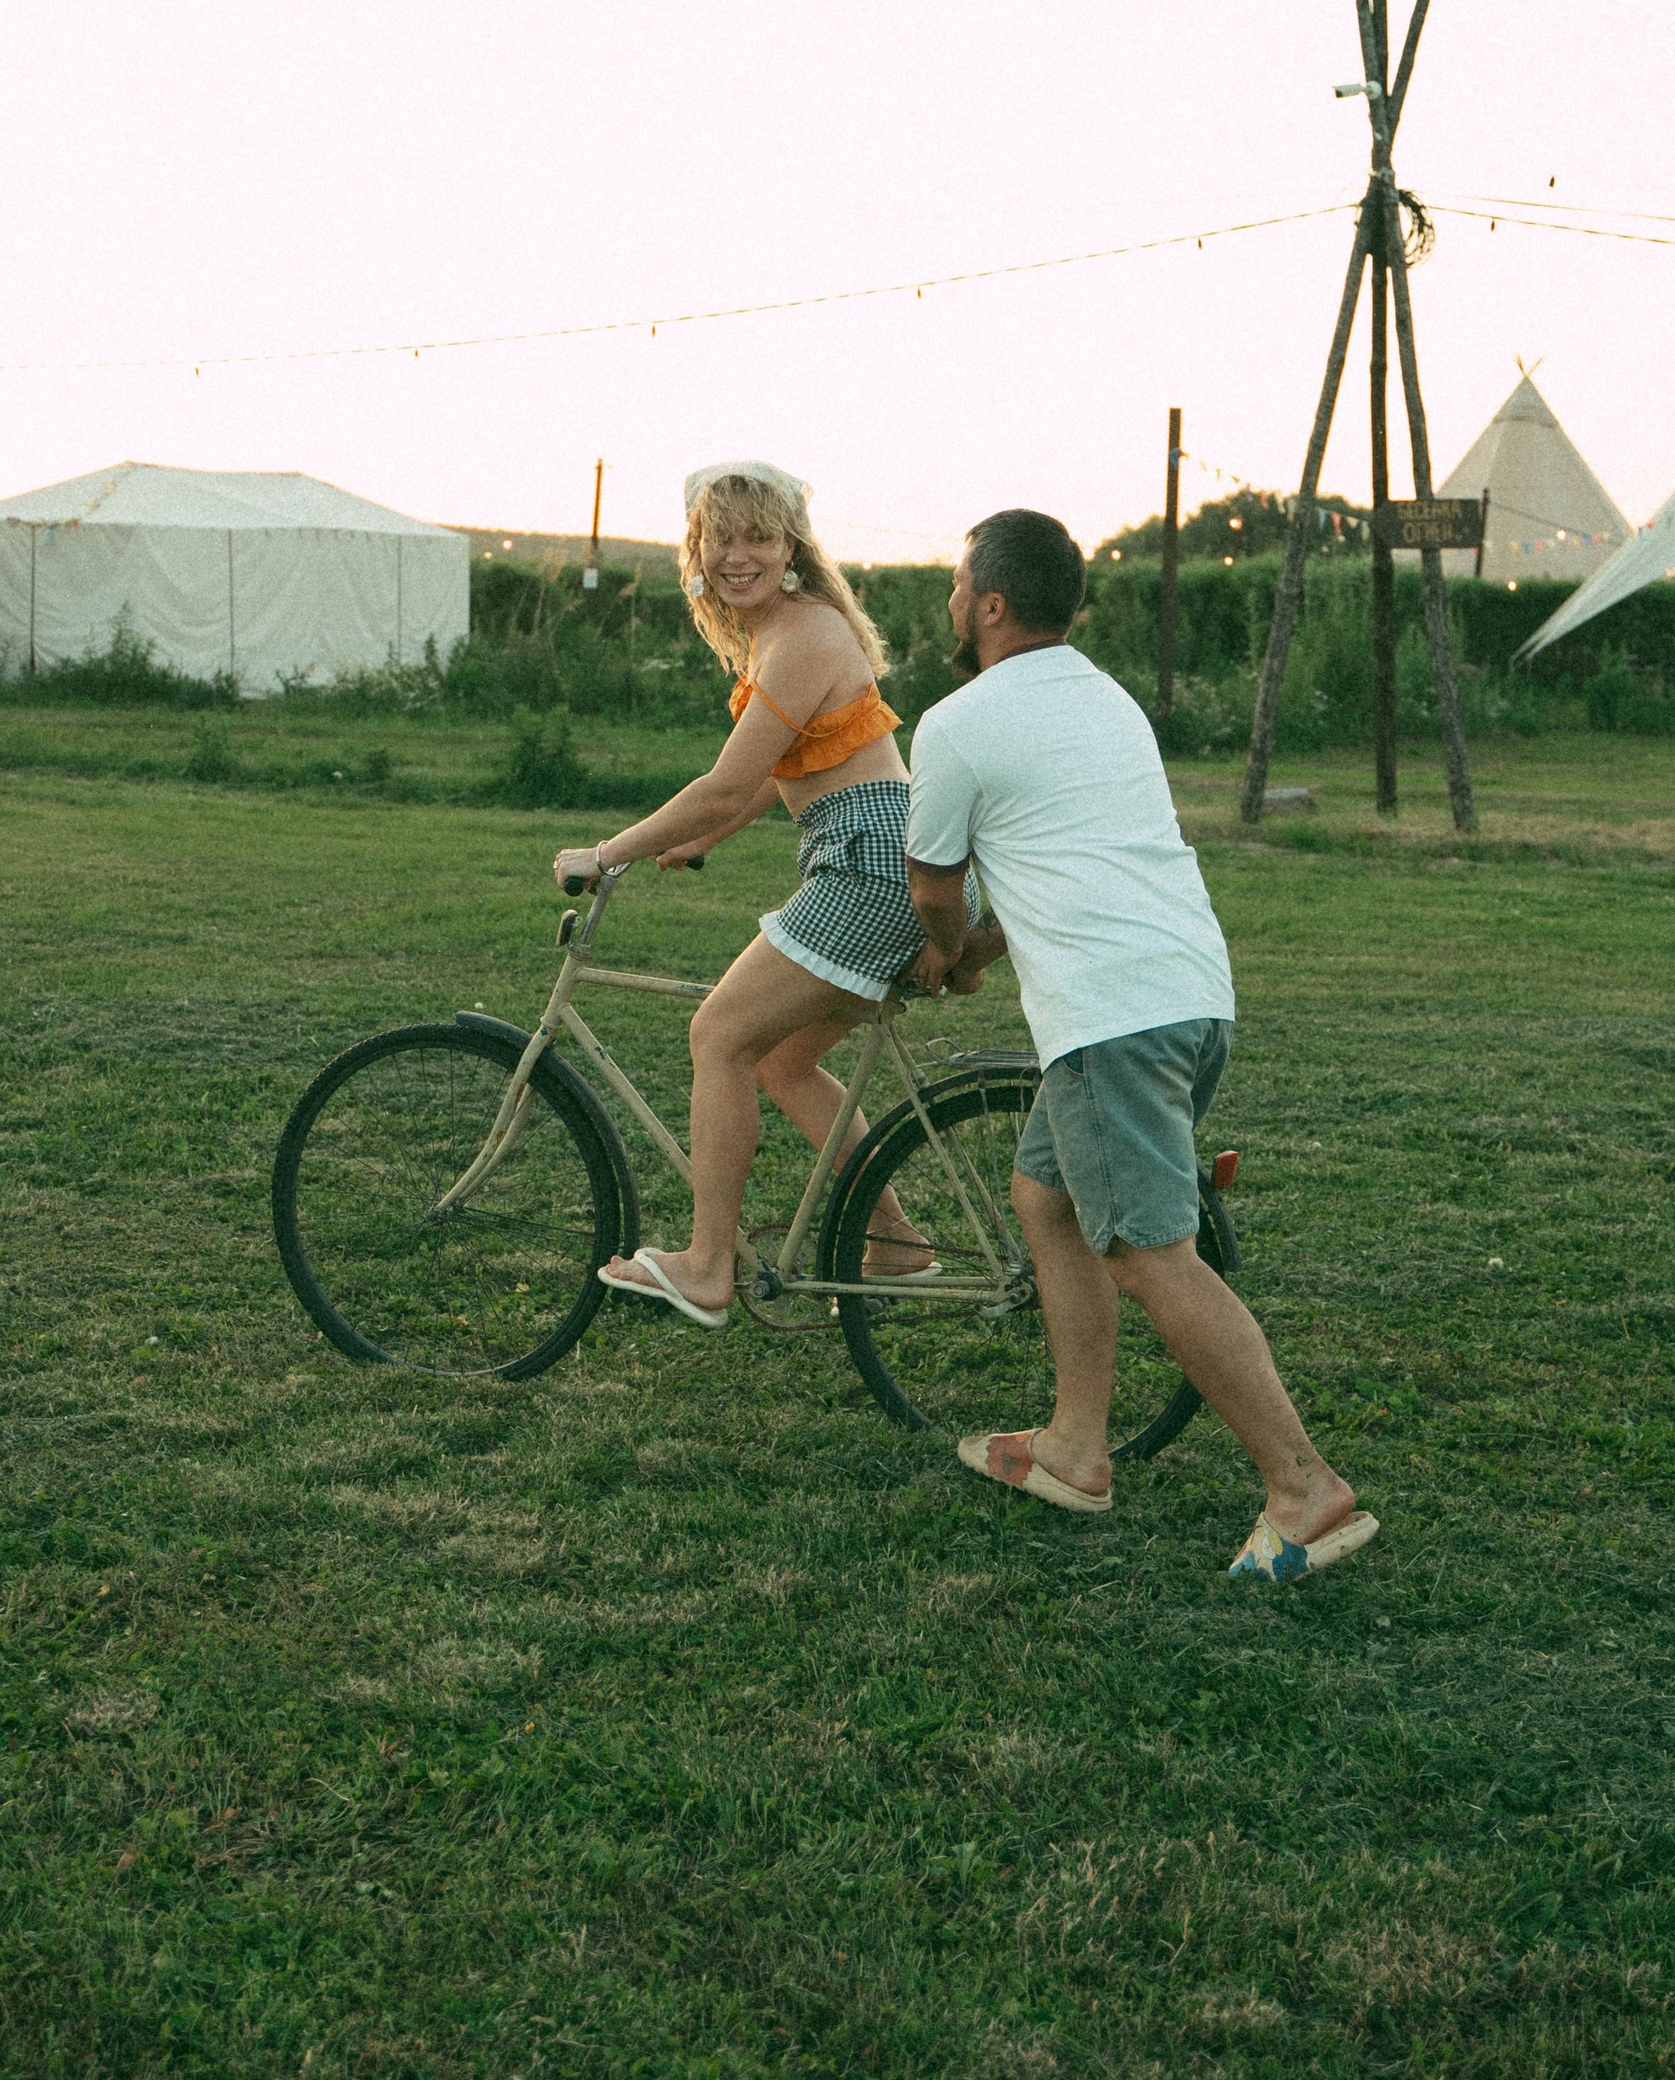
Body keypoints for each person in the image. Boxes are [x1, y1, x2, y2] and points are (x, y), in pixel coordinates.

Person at [903, 507, 1376, 1582]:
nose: (948, 603)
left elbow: (933, 887)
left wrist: (950, 956)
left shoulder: (959, 723)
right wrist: (981, 949)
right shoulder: (1105, 701)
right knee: (1048, 1198)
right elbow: (1060, 864)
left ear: (987, 602)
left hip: (1109, 1021)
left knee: (1150, 1252)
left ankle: (1305, 1489)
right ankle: (1075, 1449)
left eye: (954, 584)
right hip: (1188, 995)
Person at [551, 460, 968, 1326]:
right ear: (696, 552)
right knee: (780, 1061)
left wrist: (605, 852)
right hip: (869, 858)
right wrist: (706, 838)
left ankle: (707, 1268)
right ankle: (893, 1242)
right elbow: (759, 786)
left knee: (719, 1037)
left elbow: (722, 780)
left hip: (867, 868)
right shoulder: (783, 634)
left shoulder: (805, 634)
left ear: (791, 550)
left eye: (758, 537)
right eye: (720, 539)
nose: (738, 555)